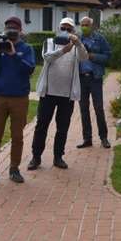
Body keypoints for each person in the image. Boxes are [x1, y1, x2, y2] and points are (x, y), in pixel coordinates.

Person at [29, 18, 88, 170]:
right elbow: (46, 58)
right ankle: (36, 157)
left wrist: (78, 43)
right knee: (41, 125)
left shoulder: (76, 45)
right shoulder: (49, 42)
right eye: (63, 28)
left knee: (63, 127)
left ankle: (58, 156)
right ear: (58, 28)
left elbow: (84, 57)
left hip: (67, 94)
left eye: (69, 29)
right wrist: (63, 50)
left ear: (73, 31)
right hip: (49, 92)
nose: (65, 31)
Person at [0, 16, 36, 185]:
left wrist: (14, 55)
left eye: (14, 29)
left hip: (19, 98)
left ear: (20, 31)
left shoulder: (27, 48)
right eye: (8, 29)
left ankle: (14, 169)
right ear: (4, 30)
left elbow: (29, 69)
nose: (11, 31)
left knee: (17, 136)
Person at [76, 17, 112, 150]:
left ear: (92, 26)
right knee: (83, 109)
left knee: (98, 108)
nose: (84, 27)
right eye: (82, 25)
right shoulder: (77, 39)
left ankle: (104, 138)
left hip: (95, 78)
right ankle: (87, 139)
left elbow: (108, 56)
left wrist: (92, 56)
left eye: (86, 25)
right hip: (81, 78)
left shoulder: (99, 39)